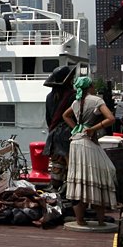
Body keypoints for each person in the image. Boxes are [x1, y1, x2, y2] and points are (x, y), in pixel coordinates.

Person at [61, 76, 117, 227]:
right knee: (100, 177)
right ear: (90, 87)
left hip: (75, 142)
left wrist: (76, 127)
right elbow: (111, 118)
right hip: (87, 143)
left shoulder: (76, 102)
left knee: (79, 180)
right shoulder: (96, 100)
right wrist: (93, 128)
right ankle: (100, 221)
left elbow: (65, 115)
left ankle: (79, 220)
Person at [42, 65, 75, 194]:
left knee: (57, 165)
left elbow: (48, 119)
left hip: (54, 135)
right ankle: (69, 194)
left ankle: (54, 192)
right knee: (71, 166)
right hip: (69, 135)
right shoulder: (73, 96)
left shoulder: (49, 97)